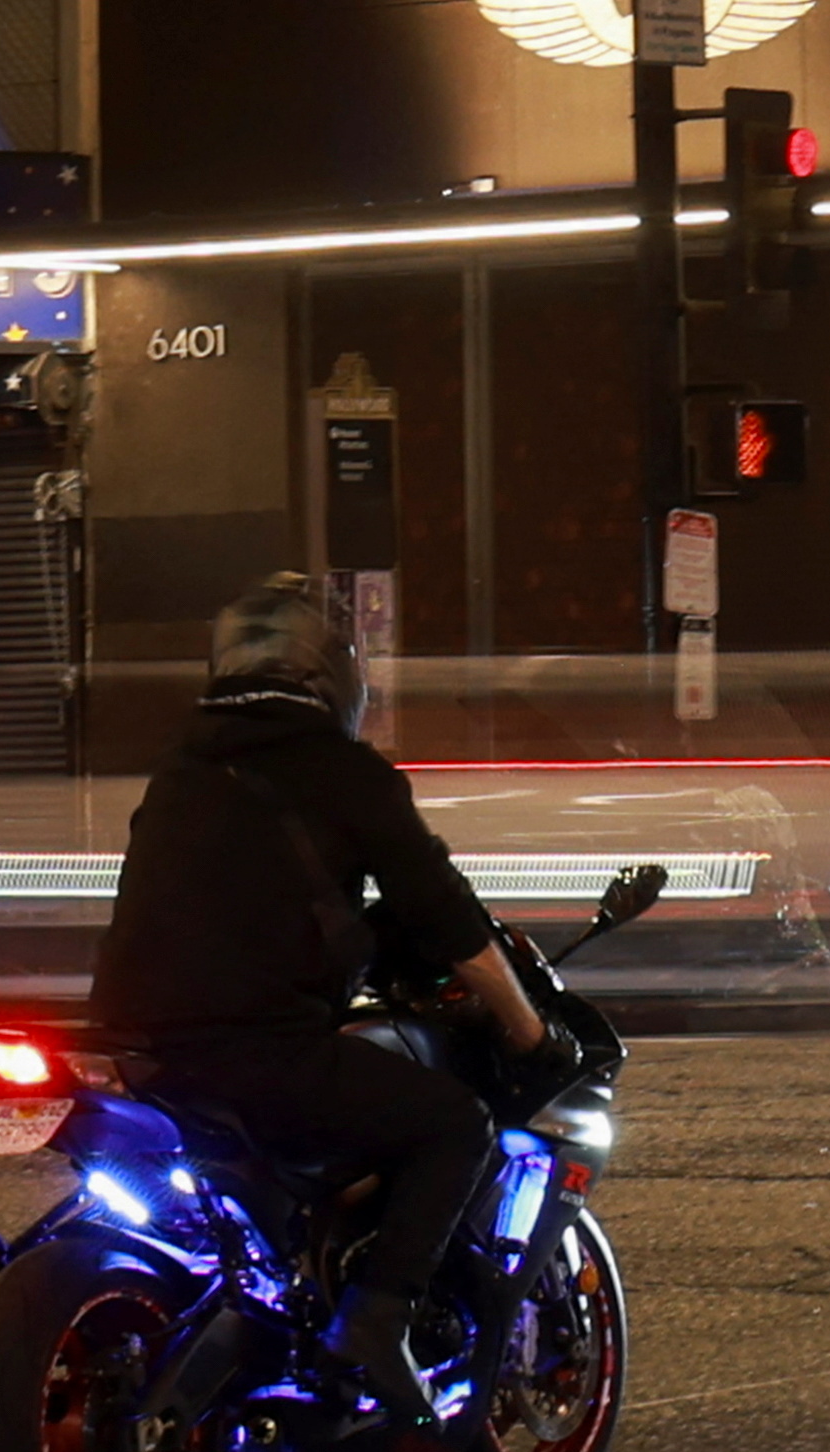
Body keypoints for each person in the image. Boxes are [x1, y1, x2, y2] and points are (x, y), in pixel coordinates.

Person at [89, 573, 555, 1401]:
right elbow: (446, 919)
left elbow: (242, 911)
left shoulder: (182, 770)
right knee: (452, 1124)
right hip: (257, 1054)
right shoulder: (344, 773)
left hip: (136, 1050)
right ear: (335, 675)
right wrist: (524, 1025)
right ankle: (373, 1320)